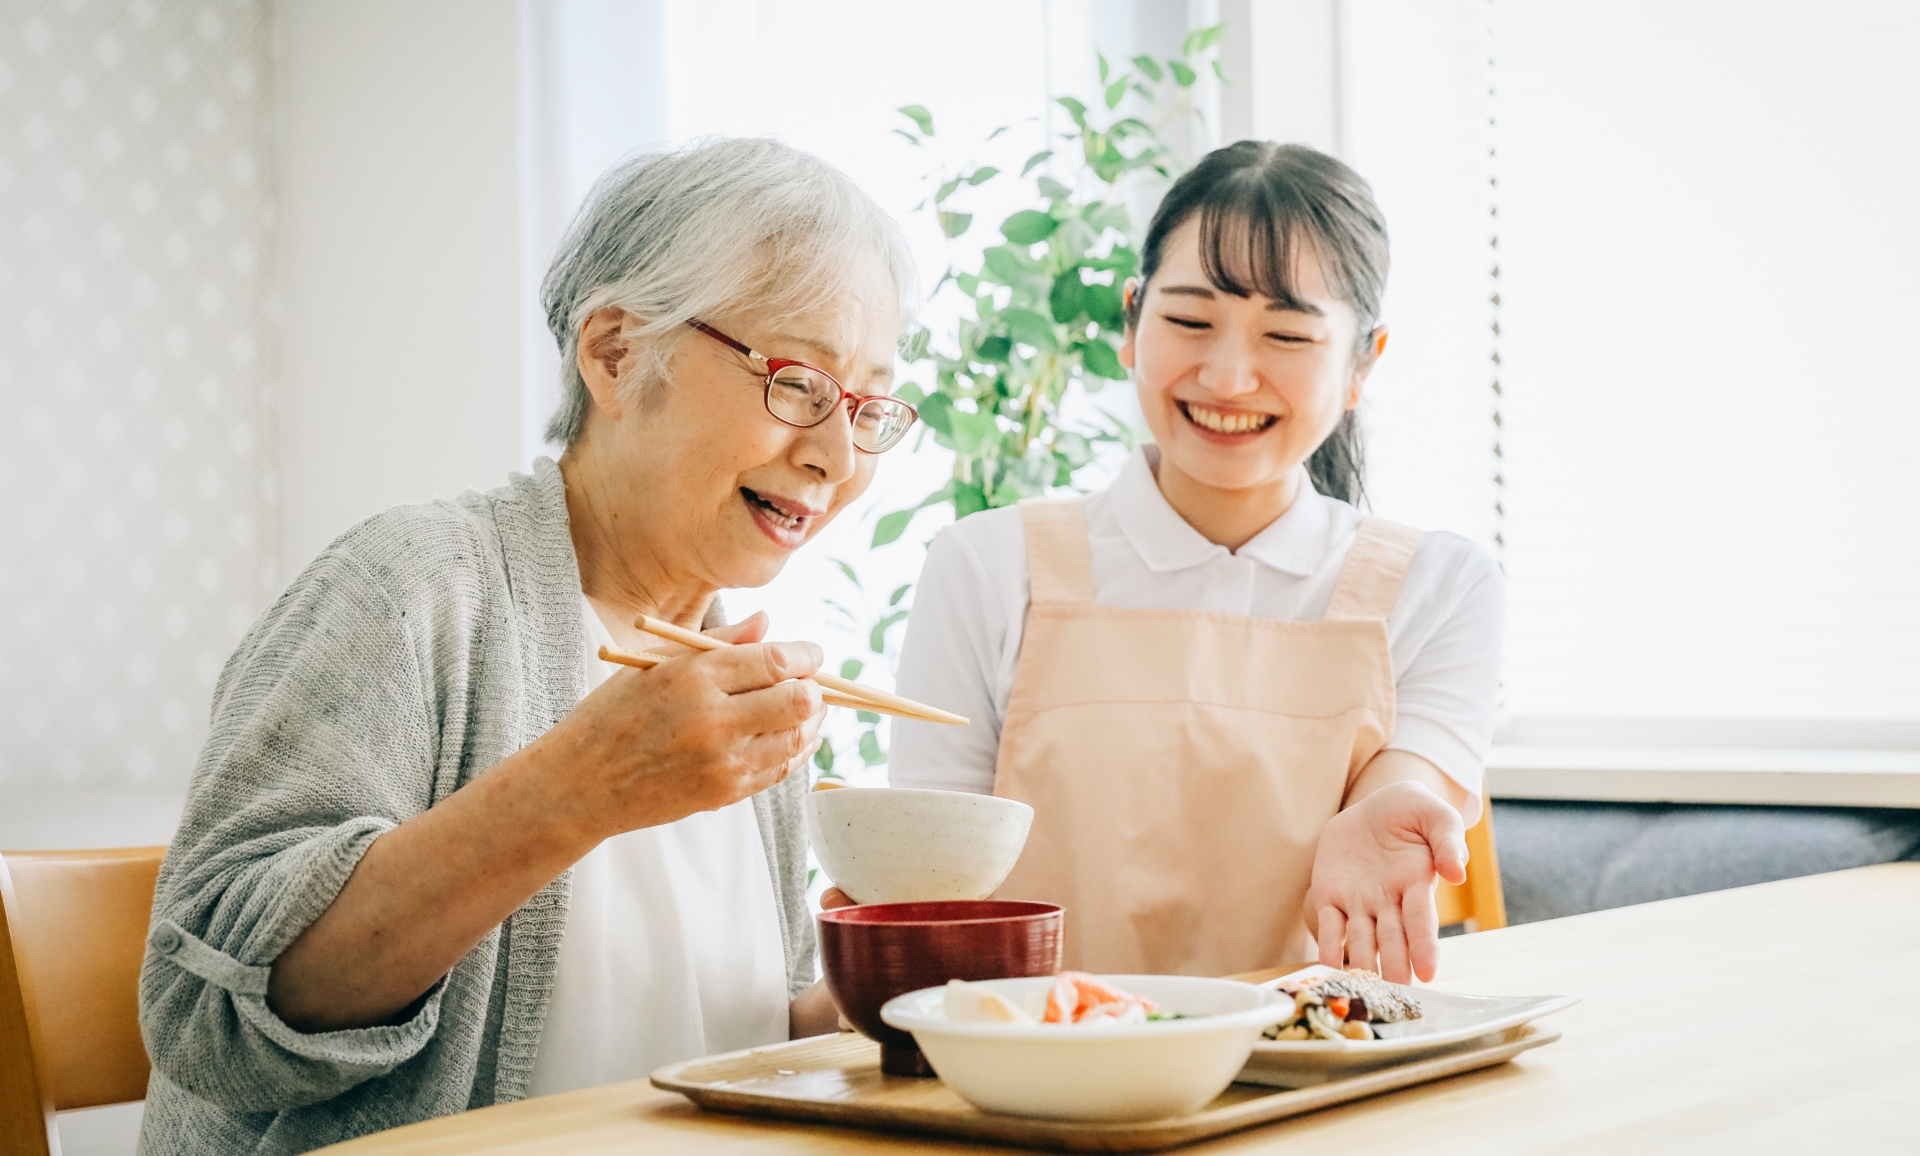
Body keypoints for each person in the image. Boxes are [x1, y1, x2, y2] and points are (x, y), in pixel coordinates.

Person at [138, 138, 919, 1153]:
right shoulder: (409, 587)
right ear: (614, 352)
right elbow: (212, 1018)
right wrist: (580, 788)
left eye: (867, 407)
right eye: (800, 383)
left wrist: (879, 990)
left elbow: (721, 1034)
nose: (836, 453)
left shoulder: (735, 670)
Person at [888, 141, 1503, 986]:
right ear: (1131, 323)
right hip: (1036, 1079)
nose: (1228, 375)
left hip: (1314, 1078)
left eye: (1286, 334)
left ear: (1364, 362)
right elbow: (933, 888)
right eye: (1188, 320)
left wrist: (1388, 812)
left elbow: (1408, 779)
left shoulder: (1442, 584)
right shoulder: (986, 567)